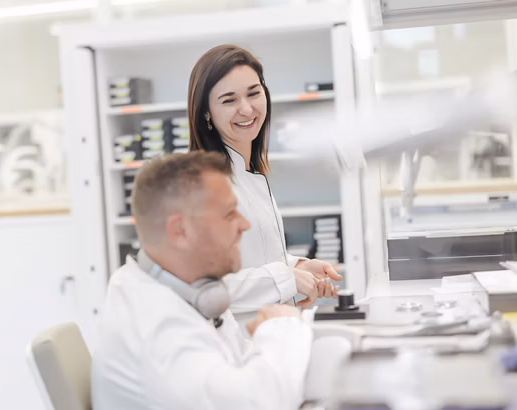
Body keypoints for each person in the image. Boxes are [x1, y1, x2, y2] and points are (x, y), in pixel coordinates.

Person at [89, 151, 313, 410]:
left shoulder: (185, 289)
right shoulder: (158, 328)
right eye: (230, 214)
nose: (244, 225)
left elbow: (236, 367)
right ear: (180, 231)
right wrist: (280, 330)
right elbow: (257, 404)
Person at [184, 44, 343, 322]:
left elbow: (253, 254)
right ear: (206, 113)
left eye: (254, 93)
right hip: (237, 344)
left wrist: (300, 266)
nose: (246, 109)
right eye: (229, 100)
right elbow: (203, 286)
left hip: (271, 335)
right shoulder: (202, 186)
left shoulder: (247, 173)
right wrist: (287, 277)